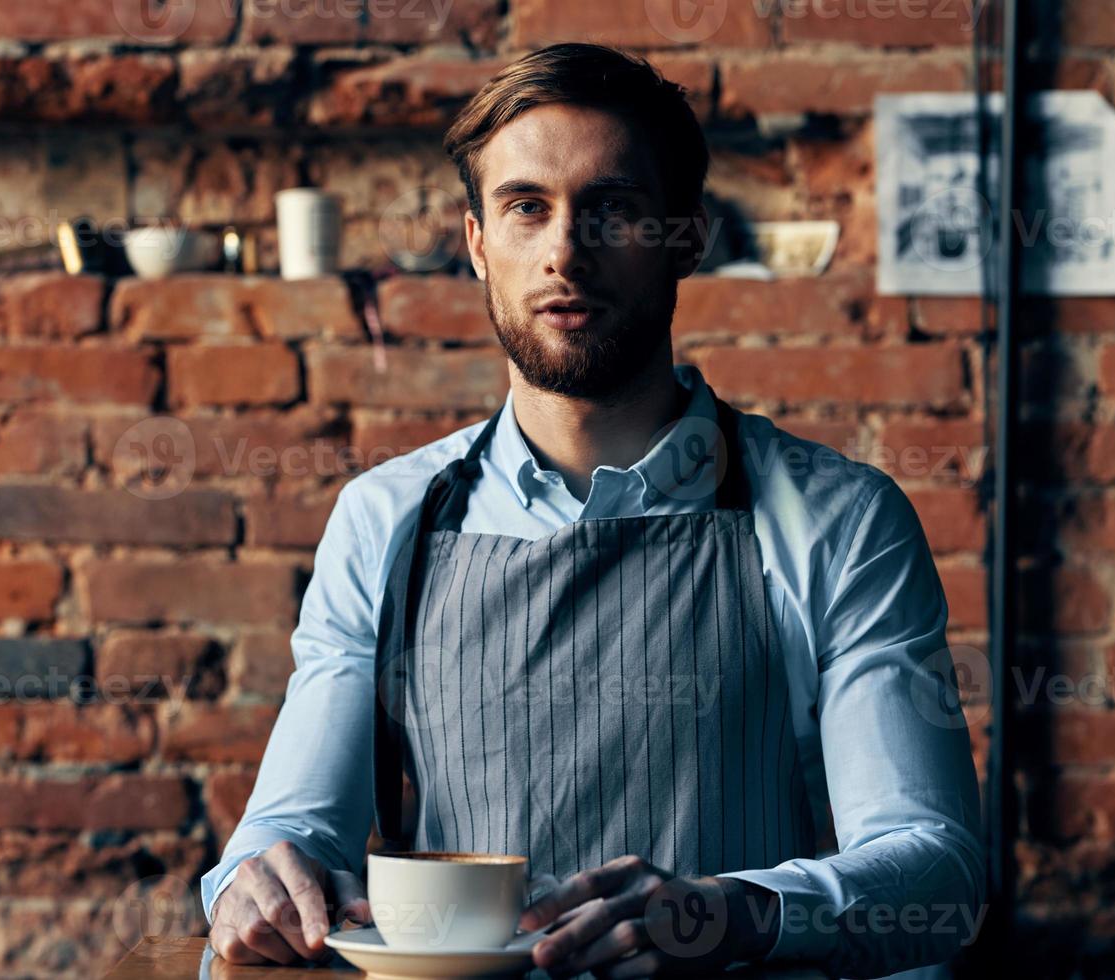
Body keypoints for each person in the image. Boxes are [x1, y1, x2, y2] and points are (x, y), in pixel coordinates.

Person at [202, 42, 985, 979]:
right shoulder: (386, 521)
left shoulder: (841, 519)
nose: (565, 251)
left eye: (611, 208)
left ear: (687, 236)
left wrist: (728, 913)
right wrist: (250, 886)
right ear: (478, 244)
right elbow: (291, 830)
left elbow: (934, 870)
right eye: (526, 208)